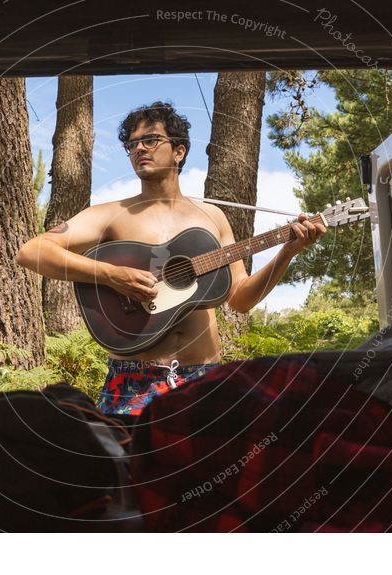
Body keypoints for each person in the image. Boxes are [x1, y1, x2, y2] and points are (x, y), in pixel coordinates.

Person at [16, 101, 326, 415]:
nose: (139, 149)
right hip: (132, 382)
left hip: (203, 378)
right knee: (128, 464)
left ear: (178, 151)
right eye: (132, 144)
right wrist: (111, 275)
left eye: (150, 140)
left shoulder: (212, 217)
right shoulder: (111, 214)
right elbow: (32, 251)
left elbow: (240, 299)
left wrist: (287, 252)